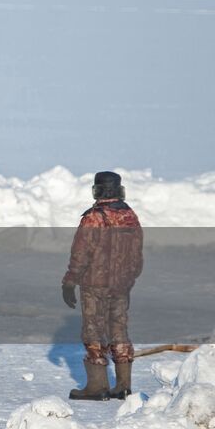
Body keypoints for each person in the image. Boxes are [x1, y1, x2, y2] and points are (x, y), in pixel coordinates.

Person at [63, 171, 143, 401]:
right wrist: (129, 278)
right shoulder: (130, 215)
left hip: (95, 285)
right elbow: (137, 254)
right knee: (119, 330)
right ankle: (124, 385)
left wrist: (70, 280)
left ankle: (97, 386)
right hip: (121, 285)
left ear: (97, 190)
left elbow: (80, 253)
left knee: (94, 331)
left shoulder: (93, 217)